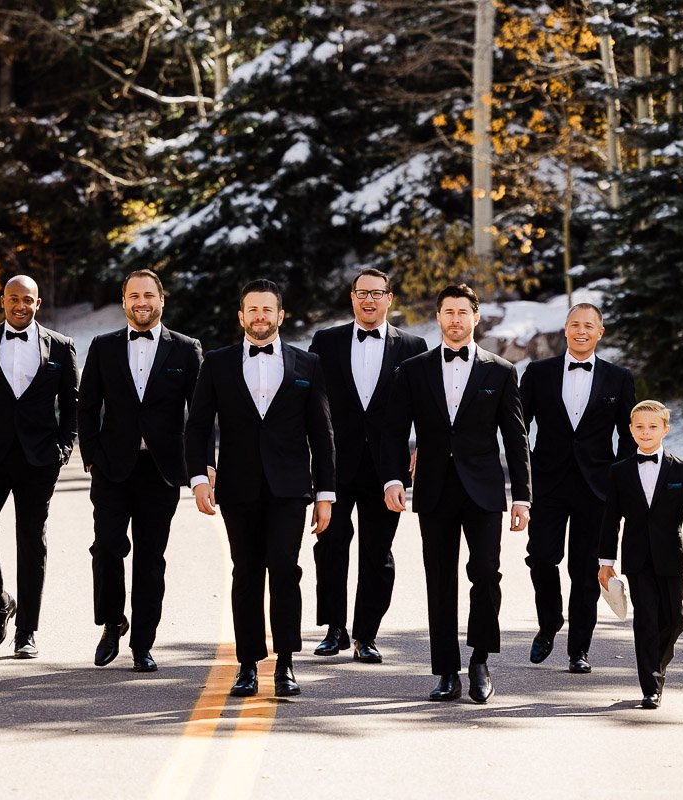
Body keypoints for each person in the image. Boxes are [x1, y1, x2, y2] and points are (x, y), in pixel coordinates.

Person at [185, 279, 335, 698]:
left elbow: (322, 435)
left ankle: (285, 664)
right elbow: (197, 426)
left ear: (280, 315)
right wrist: (199, 477)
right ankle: (247, 665)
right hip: (238, 487)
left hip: (290, 488)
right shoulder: (216, 363)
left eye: (268, 309)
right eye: (252, 309)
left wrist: (326, 495)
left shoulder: (308, 365)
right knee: (246, 573)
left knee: (285, 570)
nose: (260, 317)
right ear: (241, 316)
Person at [382, 283, 531, 704]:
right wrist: (394, 479)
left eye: (463, 312)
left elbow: (515, 437)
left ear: (475, 317)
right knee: (440, 580)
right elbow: (394, 431)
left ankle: (480, 659)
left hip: (483, 491)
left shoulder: (500, 371)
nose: (455, 319)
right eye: (448, 312)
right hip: (433, 489)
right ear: (439, 316)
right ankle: (446, 670)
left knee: (486, 573)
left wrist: (522, 496)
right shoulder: (414, 369)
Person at [78, 269, 202, 672]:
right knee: (106, 548)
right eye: (134, 295)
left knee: (151, 559)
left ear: (161, 300)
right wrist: (91, 455)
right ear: (124, 301)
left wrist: (200, 466)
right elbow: (86, 406)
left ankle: (142, 643)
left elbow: (199, 416)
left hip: (161, 471)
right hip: (112, 468)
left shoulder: (186, 350)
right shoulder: (103, 346)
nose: (141, 302)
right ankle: (113, 621)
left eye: (149, 294)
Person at [0, 275, 79, 658]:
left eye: (27, 299)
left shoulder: (61, 346)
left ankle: (27, 631)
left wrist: (63, 448)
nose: (20, 305)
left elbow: (72, 405)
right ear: (3, 301)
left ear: (38, 303)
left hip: (39, 459)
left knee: (30, 541)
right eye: (13, 299)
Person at [308, 268, 426, 663]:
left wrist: (421, 446)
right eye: (362, 293)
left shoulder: (413, 345)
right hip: (335, 465)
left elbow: (427, 405)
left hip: (386, 469)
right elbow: (310, 404)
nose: (369, 300)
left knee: (378, 552)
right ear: (352, 298)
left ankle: (366, 634)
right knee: (330, 545)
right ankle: (334, 628)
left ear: (390, 298)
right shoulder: (325, 341)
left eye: (377, 293)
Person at [520, 303, 635, 674]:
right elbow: (518, 427)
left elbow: (628, 436)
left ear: (600, 332)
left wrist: (620, 481)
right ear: (564, 330)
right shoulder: (538, 373)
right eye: (574, 324)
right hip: (547, 483)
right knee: (541, 558)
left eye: (589, 325)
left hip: (597, 488)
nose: (581, 330)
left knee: (585, 571)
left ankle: (578, 650)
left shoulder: (619, 378)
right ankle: (550, 620)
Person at [598, 400, 683, 709]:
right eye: (640, 427)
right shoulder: (619, 472)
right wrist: (606, 564)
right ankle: (651, 683)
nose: (646, 432)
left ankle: (657, 666)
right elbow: (610, 520)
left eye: (653, 427)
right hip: (636, 558)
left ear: (665, 430)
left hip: (671, 557)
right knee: (645, 619)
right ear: (631, 430)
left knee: (674, 620)